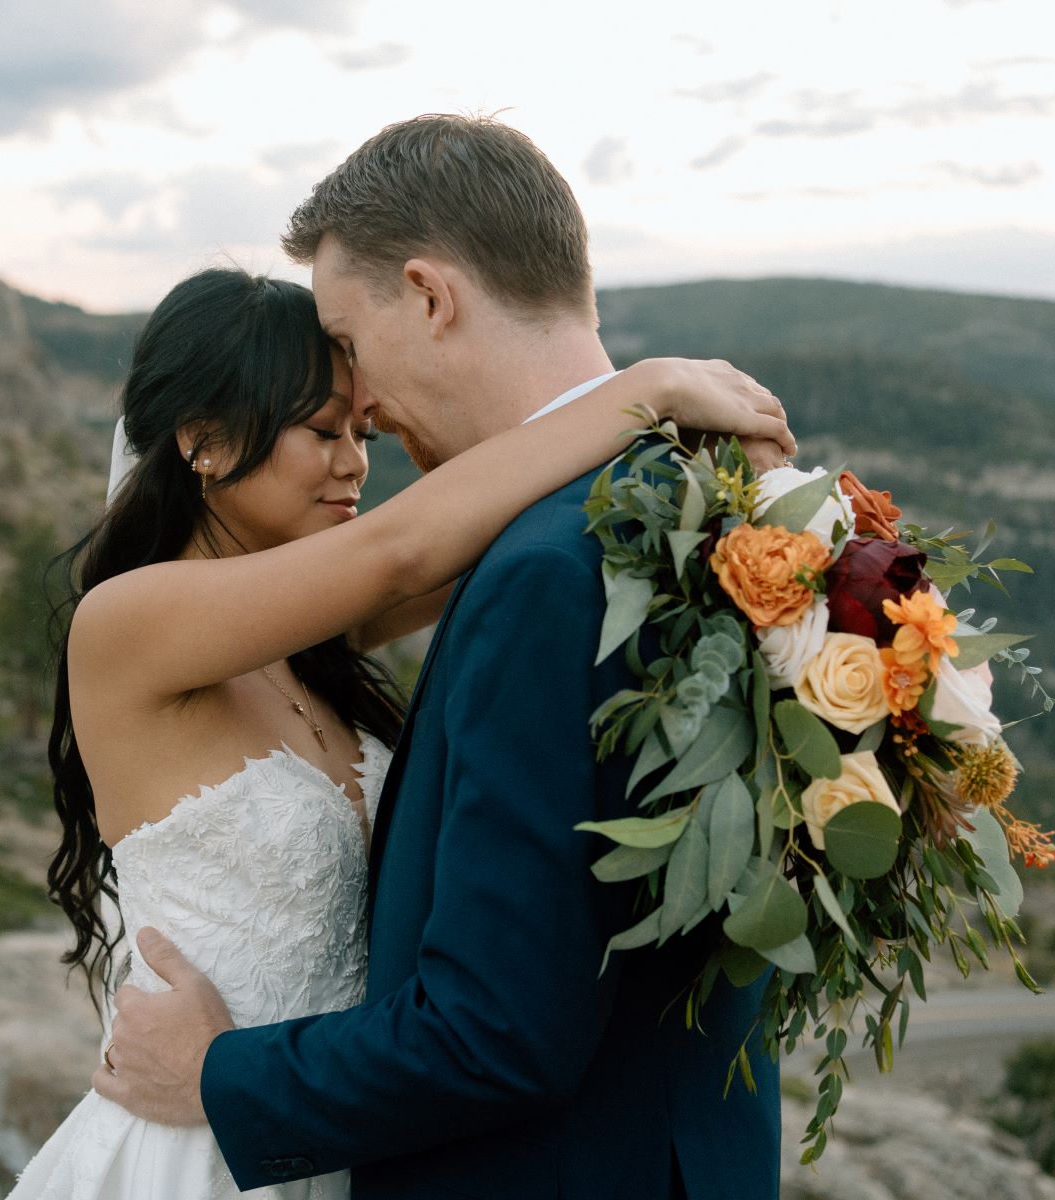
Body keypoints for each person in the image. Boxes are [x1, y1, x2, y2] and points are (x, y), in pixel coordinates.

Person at [89, 116, 790, 1200]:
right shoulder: (671, 524)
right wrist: (641, 391)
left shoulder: (553, 563)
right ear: (204, 441)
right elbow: (400, 550)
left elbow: (425, 555)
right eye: (320, 425)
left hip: (354, 1126)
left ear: (427, 296)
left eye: (351, 366)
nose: (361, 426)